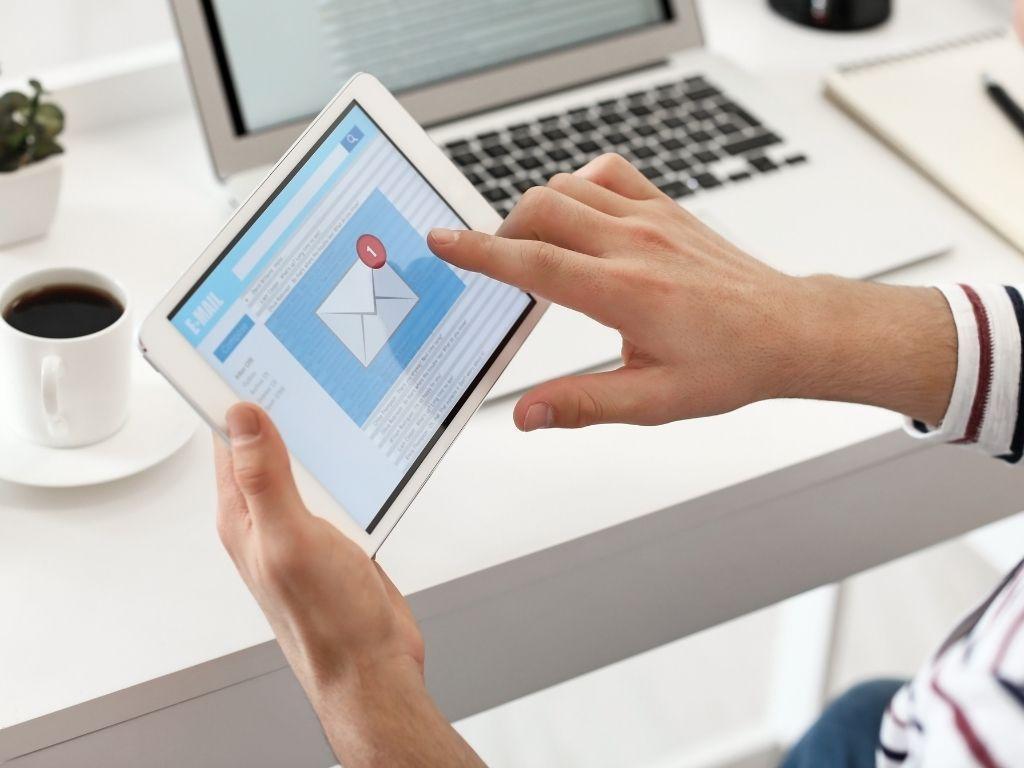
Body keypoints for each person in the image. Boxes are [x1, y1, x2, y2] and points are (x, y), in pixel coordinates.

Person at [212, 11, 1024, 765]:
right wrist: (798, 322)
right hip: (912, 713)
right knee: (861, 712)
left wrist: (363, 681)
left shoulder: (994, 711)